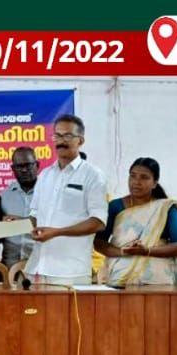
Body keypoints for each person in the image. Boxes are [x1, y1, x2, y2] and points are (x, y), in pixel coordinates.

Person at [24, 114, 108, 286]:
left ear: (80, 140)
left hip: (70, 272)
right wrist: (16, 223)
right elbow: (36, 216)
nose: (61, 141)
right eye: (57, 135)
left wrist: (57, 232)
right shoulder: (45, 175)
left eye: (68, 136)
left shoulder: (93, 175)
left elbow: (98, 222)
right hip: (37, 268)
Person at [95, 158, 177, 286]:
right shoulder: (115, 207)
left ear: (154, 183)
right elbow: (99, 242)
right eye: (132, 176)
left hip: (158, 280)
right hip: (120, 277)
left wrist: (147, 251)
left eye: (144, 177)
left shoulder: (166, 208)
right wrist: (123, 251)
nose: (136, 182)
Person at [0, 146, 39, 268]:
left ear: (37, 165)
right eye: (19, 166)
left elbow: (54, 224)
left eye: (28, 165)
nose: (24, 170)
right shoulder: (4, 196)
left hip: (39, 266)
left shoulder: (49, 193)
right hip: (9, 266)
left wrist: (22, 222)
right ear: (13, 169)